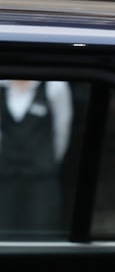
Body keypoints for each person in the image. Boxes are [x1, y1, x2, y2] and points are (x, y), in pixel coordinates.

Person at [0, 80, 73, 237]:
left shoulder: (55, 86)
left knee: (42, 238)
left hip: (42, 183)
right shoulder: (2, 85)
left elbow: (62, 132)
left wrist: (45, 163)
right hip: (5, 180)